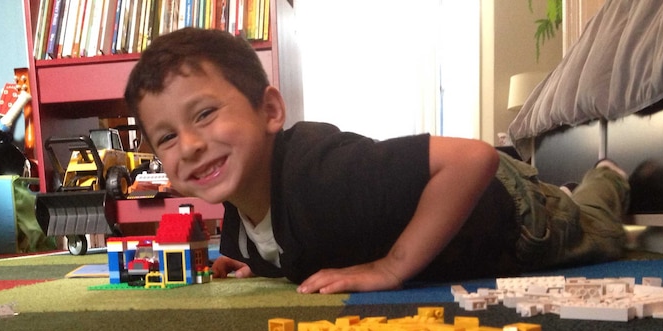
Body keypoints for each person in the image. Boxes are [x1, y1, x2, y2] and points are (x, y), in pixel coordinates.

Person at [125, 28, 630, 294]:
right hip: (460, 212)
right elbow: (291, 240)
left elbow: (472, 159)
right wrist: (260, 265)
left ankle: (602, 178)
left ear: (271, 111)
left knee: (599, 232)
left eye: (206, 114)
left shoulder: (326, 174)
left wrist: (391, 269)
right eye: (166, 137)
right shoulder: (239, 207)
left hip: (511, 215)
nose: (188, 145)